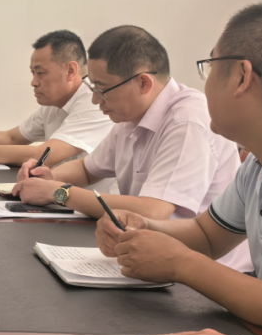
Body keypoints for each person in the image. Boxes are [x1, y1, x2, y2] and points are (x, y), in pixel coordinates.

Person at [93, 3, 262, 335]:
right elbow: (207, 234)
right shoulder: (259, 164)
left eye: (210, 67)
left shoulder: (190, 120)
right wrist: (146, 229)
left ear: (241, 76)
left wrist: (182, 265)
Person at [13, 25, 243, 234]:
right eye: (92, 87)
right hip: (144, 247)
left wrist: (59, 192)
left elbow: (153, 211)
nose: (95, 100)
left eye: (102, 90)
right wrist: (47, 177)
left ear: (143, 83)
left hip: (197, 261)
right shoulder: (130, 116)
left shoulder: (187, 122)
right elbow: (87, 169)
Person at [0, 30, 112, 167]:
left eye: (40, 73)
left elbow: (45, 156)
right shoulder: (54, 102)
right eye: (33, 73)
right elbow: (11, 138)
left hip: (89, 199)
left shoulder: (95, 101)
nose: (33, 82)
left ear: (70, 71)